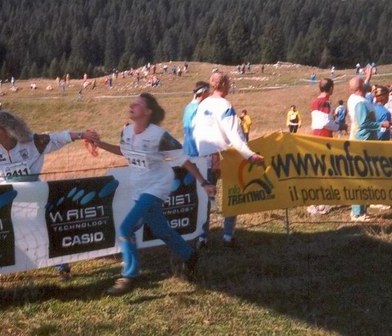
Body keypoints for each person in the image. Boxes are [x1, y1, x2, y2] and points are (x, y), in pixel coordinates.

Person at [91, 93, 216, 295]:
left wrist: (204, 182)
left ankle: (129, 276)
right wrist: (100, 143)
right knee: (161, 230)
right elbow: (124, 151)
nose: (132, 105)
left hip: (158, 186)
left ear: (148, 112)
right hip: (139, 188)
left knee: (126, 228)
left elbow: (183, 159)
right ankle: (189, 255)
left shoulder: (159, 136)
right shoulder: (127, 132)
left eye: (138, 104)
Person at [0, 111, 98, 281]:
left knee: (44, 230)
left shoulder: (33, 142)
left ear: (8, 130)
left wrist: (82, 135)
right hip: (5, 198)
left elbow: (58, 138)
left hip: (32, 196)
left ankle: (63, 269)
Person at [193, 72, 264, 248]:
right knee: (232, 195)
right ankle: (227, 235)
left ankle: (202, 238)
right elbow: (234, 135)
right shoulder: (225, 105)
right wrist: (249, 155)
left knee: (206, 199)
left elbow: (196, 131)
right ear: (224, 84)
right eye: (229, 82)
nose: (230, 85)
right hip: (225, 157)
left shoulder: (202, 104)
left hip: (204, 157)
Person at [347, 70, 389, 221]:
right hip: (362, 142)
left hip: (363, 142)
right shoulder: (360, 103)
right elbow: (364, 123)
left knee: (364, 177)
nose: (368, 86)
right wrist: (381, 125)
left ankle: (362, 210)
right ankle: (357, 212)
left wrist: (367, 77)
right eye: (364, 84)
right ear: (361, 88)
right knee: (361, 178)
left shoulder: (354, 98)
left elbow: (361, 86)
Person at [182, 81, 211, 250]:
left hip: (188, 158)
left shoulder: (188, 107)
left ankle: (193, 233)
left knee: (193, 199)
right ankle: (202, 236)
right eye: (209, 93)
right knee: (205, 199)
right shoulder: (200, 109)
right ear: (203, 93)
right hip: (201, 158)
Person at [308, 78, 338, 215]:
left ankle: (316, 201)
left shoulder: (315, 102)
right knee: (325, 170)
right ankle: (321, 202)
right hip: (324, 136)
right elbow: (326, 123)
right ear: (330, 88)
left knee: (318, 170)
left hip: (316, 135)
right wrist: (339, 126)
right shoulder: (325, 102)